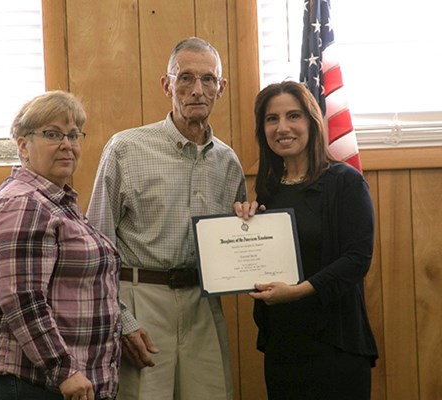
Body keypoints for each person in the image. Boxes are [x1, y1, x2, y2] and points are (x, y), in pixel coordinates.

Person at [87, 37, 246, 400]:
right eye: (185, 78)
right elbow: (96, 247)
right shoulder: (126, 149)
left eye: (208, 80)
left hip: (202, 304)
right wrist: (122, 321)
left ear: (221, 88)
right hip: (141, 300)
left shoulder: (228, 162)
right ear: (167, 85)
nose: (197, 90)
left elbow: (235, 244)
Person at [0, 91, 122, 400]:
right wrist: (64, 369)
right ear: (23, 145)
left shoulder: (56, 202)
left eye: (73, 134)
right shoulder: (23, 204)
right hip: (27, 383)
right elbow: (22, 298)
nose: (67, 144)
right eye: (52, 134)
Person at [234, 81, 378, 399]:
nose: (282, 127)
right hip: (284, 344)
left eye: (293, 116)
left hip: (336, 345)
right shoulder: (269, 191)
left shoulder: (345, 182)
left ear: (312, 123)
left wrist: (299, 292)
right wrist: (244, 228)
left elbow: (357, 259)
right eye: (272, 119)